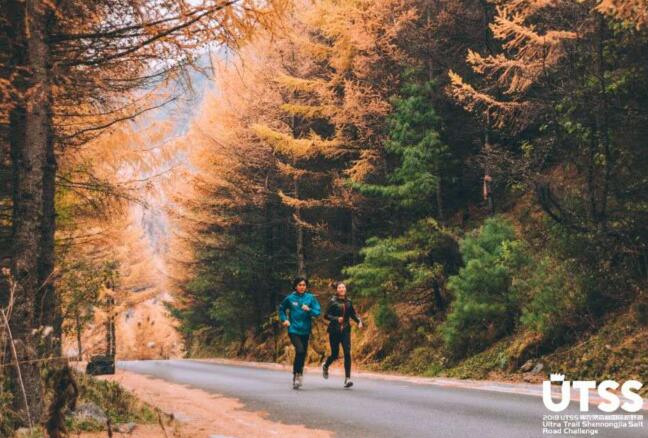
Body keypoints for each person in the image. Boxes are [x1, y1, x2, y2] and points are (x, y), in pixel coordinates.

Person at [278, 276, 321, 389]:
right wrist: (284, 319)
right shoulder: (290, 298)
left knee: (302, 353)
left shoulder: (310, 298)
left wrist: (309, 310)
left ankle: (297, 373)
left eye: (304, 285)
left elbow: (317, 312)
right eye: (300, 285)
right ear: (295, 286)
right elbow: (281, 309)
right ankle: (297, 375)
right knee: (300, 350)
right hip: (293, 329)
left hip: (305, 330)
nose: (302, 287)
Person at [322, 281, 363, 388]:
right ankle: (326, 365)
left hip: (345, 330)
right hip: (334, 330)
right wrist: (336, 318)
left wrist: (359, 321)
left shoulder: (349, 301)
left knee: (347, 353)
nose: (342, 289)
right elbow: (326, 315)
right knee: (335, 354)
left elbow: (352, 314)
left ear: (345, 289)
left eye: (343, 287)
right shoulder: (332, 301)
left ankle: (347, 378)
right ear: (337, 290)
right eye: (339, 287)